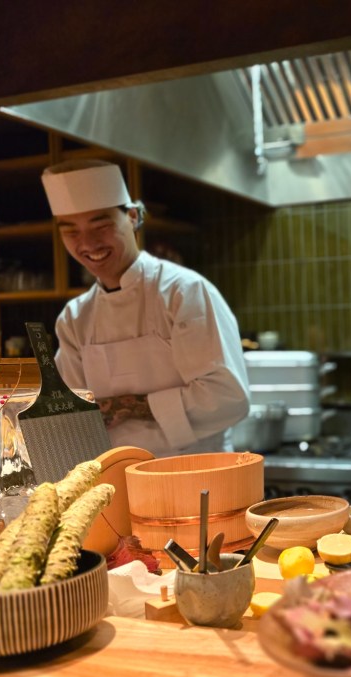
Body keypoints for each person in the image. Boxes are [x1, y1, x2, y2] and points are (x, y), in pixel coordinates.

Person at [41, 159, 250, 457]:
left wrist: (128, 405)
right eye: (70, 231)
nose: (87, 243)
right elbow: (73, 412)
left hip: (198, 477)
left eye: (101, 225)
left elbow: (228, 398)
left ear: (133, 217)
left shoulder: (183, 291)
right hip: (117, 484)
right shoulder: (75, 318)